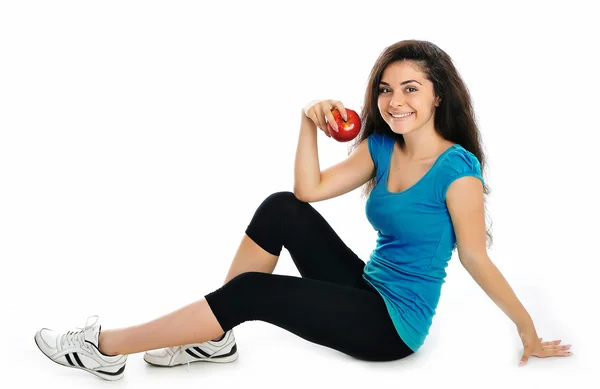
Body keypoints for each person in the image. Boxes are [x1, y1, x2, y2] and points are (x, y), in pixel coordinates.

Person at [34, 39, 573, 381]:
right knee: (281, 208)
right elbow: (308, 191)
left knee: (251, 293)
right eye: (386, 90)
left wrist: (526, 330)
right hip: (366, 287)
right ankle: (214, 341)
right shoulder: (383, 147)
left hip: (391, 329)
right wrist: (306, 124)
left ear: (438, 97)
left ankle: (103, 348)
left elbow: (476, 258)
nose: (395, 101)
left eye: (411, 88)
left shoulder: (459, 172)